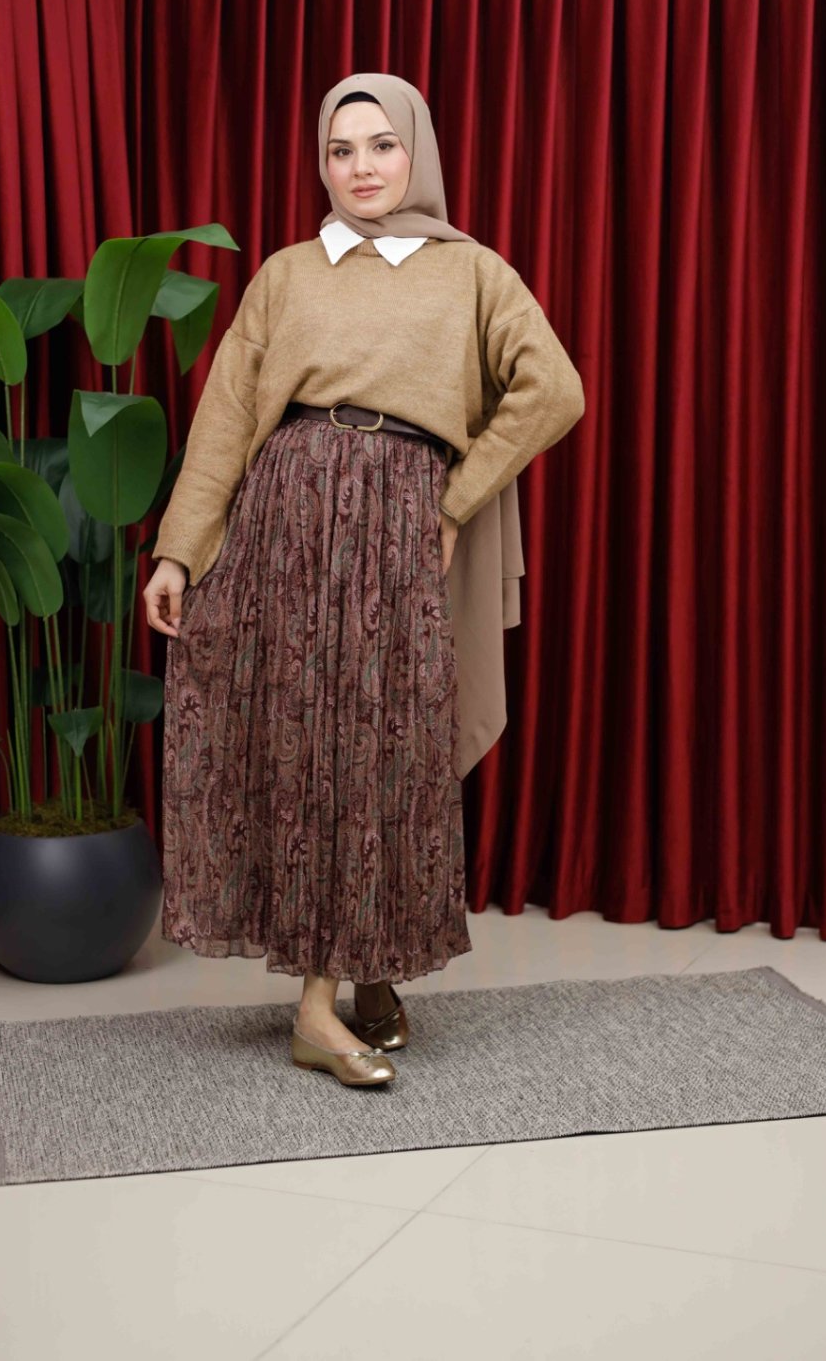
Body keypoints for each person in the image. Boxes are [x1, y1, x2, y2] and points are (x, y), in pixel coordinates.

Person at [142, 72, 586, 1089]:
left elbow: (553, 388)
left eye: (381, 145)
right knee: (305, 748)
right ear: (322, 163)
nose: (362, 168)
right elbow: (226, 415)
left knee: (386, 750)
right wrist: (178, 550)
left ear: (414, 151)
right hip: (284, 522)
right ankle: (321, 1005)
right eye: (341, 151)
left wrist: (452, 502)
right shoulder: (288, 274)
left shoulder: (471, 272)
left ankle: (368, 961)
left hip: (397, 526)